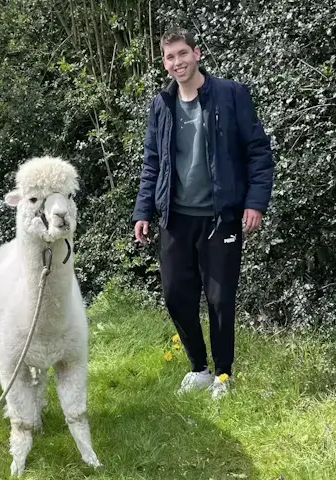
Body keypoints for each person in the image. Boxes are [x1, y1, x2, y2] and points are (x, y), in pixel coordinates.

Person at [131, 27, 275, 399]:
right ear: (164, 62)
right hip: (175, 218)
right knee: (176, 295)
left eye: (182, 54)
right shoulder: (162, 104)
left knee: (219, 298)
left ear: (197, 53)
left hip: (221, 217)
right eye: (169, 57)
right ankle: (199, 368)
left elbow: (258, 151)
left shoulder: (230, 95)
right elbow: (152, 162)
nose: (176, 63)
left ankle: (224, 376)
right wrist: (143, 210)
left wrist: (255, 202)